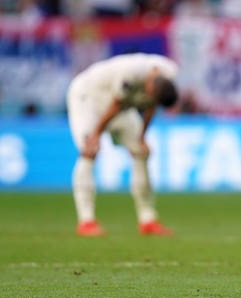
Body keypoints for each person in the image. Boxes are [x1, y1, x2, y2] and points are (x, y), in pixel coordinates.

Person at [66, 53, 179, 237]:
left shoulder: (169, 73)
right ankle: (86, 221)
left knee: (140, 151)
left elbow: (152, 104)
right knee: (89, 150)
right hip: (88, 98)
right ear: (149, 85)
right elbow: (116, 105)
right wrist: (95, 134)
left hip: (122, 105)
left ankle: (148, 219)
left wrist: (142, 137)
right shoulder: (131, 74)